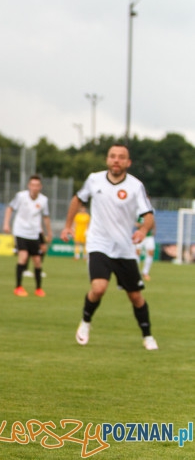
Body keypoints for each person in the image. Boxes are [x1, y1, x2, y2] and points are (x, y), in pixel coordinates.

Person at [60, 144, 158, 351]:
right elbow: (77, 200)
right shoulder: (94, 179)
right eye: (113, 156)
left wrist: (142, 231)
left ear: (128, 163)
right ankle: (86, 322)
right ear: (107, 160)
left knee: (136, 297)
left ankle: (147, 336)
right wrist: (67, 226)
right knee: (99, 287)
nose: (116, 160)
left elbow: (148, 215)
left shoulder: (135, 186)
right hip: (98, 243)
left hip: (124, 248)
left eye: (121, 157)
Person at [3, 175, 52, 297]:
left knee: (37, 261)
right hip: (20, 231)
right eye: (32, 185)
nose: (35, 188)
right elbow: (10, 208)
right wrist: (6, 223)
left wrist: (49, 232)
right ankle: (18, 287)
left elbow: (46, 217)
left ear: (40, 187)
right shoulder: (21, 196)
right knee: (23, 257)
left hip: (34, 233)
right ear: (29, 186)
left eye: (37, 185)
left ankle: (38, 289)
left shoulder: (43, 200)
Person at [135, 213, 156, 281]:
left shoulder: (150, 210)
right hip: (139, 235)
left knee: (150, 253)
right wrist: (145, 226)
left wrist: (154, 229)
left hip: (149, 236)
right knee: (137, 253)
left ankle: (145, 272)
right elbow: (136, 223)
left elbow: (153, 221)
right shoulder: (137, 210)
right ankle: (136, 272)